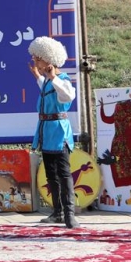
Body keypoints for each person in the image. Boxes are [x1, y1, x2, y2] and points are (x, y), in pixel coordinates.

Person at [28, 36, 78, 228]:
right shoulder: (49, 82)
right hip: (46, 132)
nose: (36, 62)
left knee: (64, 173)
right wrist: (38, 76)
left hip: (58, 132)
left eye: (38, 59)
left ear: (48, 59)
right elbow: (46, 88)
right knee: (51, 174)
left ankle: (69, 214)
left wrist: (53, 77)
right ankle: (57, 212)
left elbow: (67, 95)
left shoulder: (61, 79)